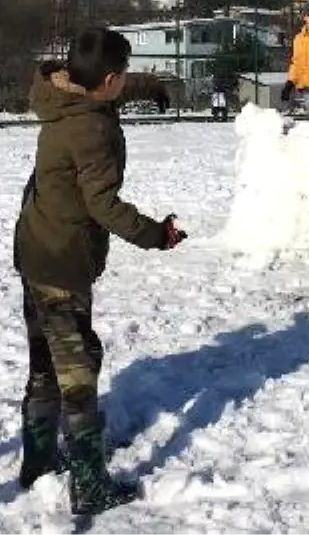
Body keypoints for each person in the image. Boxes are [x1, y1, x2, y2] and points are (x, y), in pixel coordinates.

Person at [13, 27, 187, 516]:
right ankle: (89, 482)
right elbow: (103, 204)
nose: (124, 82)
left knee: (44, 361)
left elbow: (104, 89)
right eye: (124, 76)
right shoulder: (92, 128)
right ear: (109, 79)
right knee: (78, 368)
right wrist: (156, 233)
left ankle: (38, 459)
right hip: (63, 258)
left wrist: (147, 87)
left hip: (35, 247)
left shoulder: (62, 98)